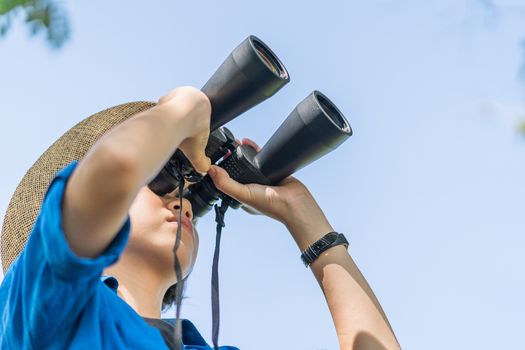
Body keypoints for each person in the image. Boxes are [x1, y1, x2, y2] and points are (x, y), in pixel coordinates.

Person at [0, 86, 400, 349]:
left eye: (193, 194)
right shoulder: (43, 303)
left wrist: (307, 222)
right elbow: (111, 171)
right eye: (160, 179)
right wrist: (185, 110)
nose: (184, 202)